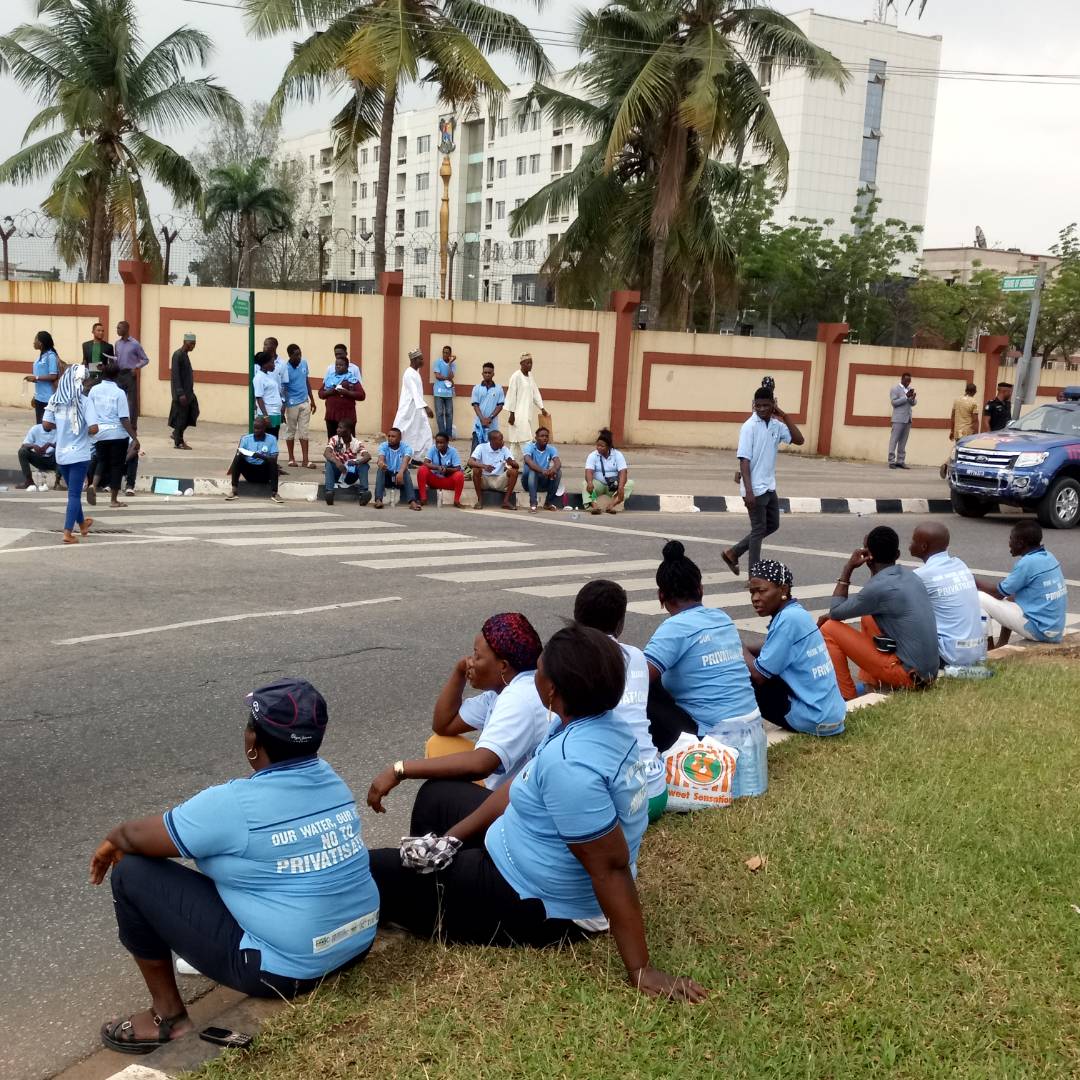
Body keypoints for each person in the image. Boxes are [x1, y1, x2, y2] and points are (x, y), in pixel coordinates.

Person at [366, 624, 707, 1004]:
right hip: (519, 845)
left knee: (374, 870)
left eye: (539, 670)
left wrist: (640, 968)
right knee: (438, 797)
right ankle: (433, 888)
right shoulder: (589, 722)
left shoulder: (572, 766)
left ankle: (428, 900)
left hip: (537, 902)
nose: (533, 676)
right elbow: (520, 786)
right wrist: (452, 839)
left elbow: (609, 867)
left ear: (552, 689)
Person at [90, 679, 379, 1055]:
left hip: (288, 971)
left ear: (251, 743)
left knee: (131, 871)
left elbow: (134, 837)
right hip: (356, 942)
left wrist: (111, 842)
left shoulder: (235, 804)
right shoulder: (330, 778)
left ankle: (168, 1018)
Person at [366, 613, 547, 820]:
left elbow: (480, 765)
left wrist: (399, 769)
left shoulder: (518, 697)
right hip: (508, 790)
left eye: (477, 656)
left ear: (503, 666)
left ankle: (441, 848)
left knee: (436, 792)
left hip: (519, 810)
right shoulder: (504, 688)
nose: (471, 661)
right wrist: (459, 671)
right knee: (440, 743)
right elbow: (444, 725)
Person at [643, 541, 767, 799]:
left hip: (711, 740)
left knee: (642, 689)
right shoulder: (722, 617)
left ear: (661, 597)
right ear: (700, 589)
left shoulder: (673, 629)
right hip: (752, 731)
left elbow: (637, 681)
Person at [574, 580, 668, 822]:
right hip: (656, 792)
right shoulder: (636, 655)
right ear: (620, 623)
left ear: (576, 617)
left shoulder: (574, 661)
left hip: (621, 801)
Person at [818, 526, 940, 700]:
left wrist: (848, 569)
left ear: (868, 557)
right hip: (928, 674)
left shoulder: (877, 588)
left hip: (909, 677)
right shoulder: (911, 576)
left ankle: (846, 698)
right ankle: (874, 684)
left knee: (829, 628)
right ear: (897, 555)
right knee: (868, 617)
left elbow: (836, 612)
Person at [741, 561, 846, 736]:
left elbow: (759, 675)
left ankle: (736, 735)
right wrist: (745, 650)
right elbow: (772, 647)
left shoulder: (787, 620)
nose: (755, 598)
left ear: (783, 589)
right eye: (752, 592)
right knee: (750, 662)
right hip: (832, 716)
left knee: (745, 674)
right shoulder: (796, 613)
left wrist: (734, 645)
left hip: (816, 720)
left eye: (762, 591)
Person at [721, 388, 804, 575]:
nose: (762, 409)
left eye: (766, 405)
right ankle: (754, 576)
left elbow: (799, 440)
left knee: (773, 524)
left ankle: (733, 553)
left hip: (769, 486)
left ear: (773, 404)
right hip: (754, 488)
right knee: (758, 530)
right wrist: (748, 491)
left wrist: (783, 415)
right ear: (753, 405)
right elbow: (744, 461)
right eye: (758, 405)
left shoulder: (776, 425)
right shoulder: (749, 427)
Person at [975, 520, 1067, 648]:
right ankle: (1002, 643)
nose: (1009, 543)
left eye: (1011, 539)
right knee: (1011, 596)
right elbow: (1008, 593)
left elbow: (997, 593)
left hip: (1040, 631)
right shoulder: (1049, 557)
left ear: (1020, 543)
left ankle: (990, 649)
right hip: (1054, 629)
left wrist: (973, 580)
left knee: (978, 598)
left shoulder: (1027, 563)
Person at [910, 523, 987, 668]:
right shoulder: (960, 564)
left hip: (950, 657)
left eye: (913, 541)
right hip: (975, 653)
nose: (910, 544)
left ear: (923, 547)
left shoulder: (922, 575)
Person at [41, 364, 97, 544]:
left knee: (73, 493)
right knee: (74, 495)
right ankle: (67, 532)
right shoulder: (85, 401)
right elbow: (94, 428)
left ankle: (82, 525)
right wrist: (82, 429)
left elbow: (46, 425)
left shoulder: (55, 400)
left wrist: (63, 425)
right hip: (79, 456)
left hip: (61, 455)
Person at [87, 360, 141, 508]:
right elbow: (124, 418)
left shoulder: (94, 390)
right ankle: (113, 500)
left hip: (100, 432)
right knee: (116, 465)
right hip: (117, 434)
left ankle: (93, 485)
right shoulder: (119, 393)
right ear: (117, 375)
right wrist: (134, 437)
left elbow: (89, 412)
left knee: (101, 461)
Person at [225, 415, 284, 504]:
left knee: (272, 462)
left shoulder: (271, 439)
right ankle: (234, 490)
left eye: (259, 428)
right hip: (250, 472)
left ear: (264, 428)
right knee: (238, 457)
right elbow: (240, 452)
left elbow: (274, 458)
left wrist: (259, 456)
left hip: (264, 472)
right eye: (255, 428)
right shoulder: (246, 439)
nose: (256, 431)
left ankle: (274, 493)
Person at [393, 347, 434, 462]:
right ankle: (404, 458)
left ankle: (415, 457)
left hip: (416, 408)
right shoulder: (409, 374)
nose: (423, 361)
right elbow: (415, 392)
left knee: (421, 432)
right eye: (421, 359)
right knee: (405, 433)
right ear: (414, 360)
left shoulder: (415, 372)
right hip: (409, 409)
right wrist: (426, 408)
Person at [504, 352, 546, 463]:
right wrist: (511, 414)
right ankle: (531, 463)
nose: (530, 365)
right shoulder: (516, 377)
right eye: (528, 363)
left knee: (515, 444)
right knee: (526, 440)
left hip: (527, 414)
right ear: (521, 364)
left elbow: (535, 392)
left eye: (531, 363)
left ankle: (509, 465)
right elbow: (511, 395)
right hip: (517, 415)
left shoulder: (530, 376)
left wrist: (542, 407)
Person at [283, 343, 317, 469]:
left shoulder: (304, 363)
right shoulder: (285, 368)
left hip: (304, 402)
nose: (299, 357)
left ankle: (305, 460)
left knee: (304, 431)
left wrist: (312, 400)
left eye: (300, 354)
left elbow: (306, 381)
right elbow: (284, 388)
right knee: (291, 430)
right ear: (290, 355)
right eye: (296, 355)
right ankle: (291, 458)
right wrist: (284, 405)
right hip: (292, 404)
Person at [318, 348, 366, 439]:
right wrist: (329, 392)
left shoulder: (352, 380)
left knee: (348, 441)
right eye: (337, 365)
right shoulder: (330, 378)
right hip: (331, 415)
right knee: (333, 441)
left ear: (347, 367)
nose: (338, 367)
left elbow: (362, 395)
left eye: (341, 365)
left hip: (347, 417)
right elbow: (321, 394)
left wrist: (347, 392)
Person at [583, 428, 634, 514]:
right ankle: (594, 506)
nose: (599, 448)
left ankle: (611, 506)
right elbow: (589, 471)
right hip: (598, 484)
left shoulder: (617, 455)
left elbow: (623, 472)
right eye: (597, 445)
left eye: (602, 446)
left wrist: (621, 487)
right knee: (585, 484)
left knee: (629, 483)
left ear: (609, 447)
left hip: (613, 486)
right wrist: (590, 482)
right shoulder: (593, 455)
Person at [323, 420, 371, 506]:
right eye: (338, 427)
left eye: (341, 428)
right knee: (329, 463)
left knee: (364, 465)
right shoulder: (334, 439)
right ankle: (329, 492)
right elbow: (326, 453)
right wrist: (337, 462)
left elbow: (367, 456)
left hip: (350, 475)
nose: (337, 429)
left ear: (349, 430)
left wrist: (357, 462)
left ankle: (363, 493)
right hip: (337, 473)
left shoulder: (356, 443)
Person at [468, 429, 519, 510]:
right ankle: (480, 500)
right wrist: (483, 466)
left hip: (498, 480)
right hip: (484, 480)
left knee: (514, 472)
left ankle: (505, 501)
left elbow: (517, 466)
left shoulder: (504, 449)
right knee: (476, 470)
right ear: (492, 441)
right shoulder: (481, 447)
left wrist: (511, 462)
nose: (503, 441)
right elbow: (470, 462)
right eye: (500, 439)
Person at [374, 426, 420, 510]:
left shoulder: (406, 448)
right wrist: (381, 463)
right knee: (380, 470)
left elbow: (405, 461)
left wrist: (401, 472)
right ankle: (378, 499)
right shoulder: (383, 446)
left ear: (400, 438)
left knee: (405, 471)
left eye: (393, 436)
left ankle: (412, 501)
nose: (390, 438)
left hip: (400, 479)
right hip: (387, 477)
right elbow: (381, 458)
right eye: (389, 436)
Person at [417, 431, 465, 507]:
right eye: (437, 442)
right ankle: (423, 498)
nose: (439, 445)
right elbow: (425, 463)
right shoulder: (433, 449)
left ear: (447, 442)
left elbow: (457, 468)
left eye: (441, 443)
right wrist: (437, 467)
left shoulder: (453, 451)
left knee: (459, 475)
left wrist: (446, 470)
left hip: (448, 481)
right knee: (422, 469)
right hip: (435, 480)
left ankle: (456, 501)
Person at [114, 320, 150, 422]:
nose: (117, 330)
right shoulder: (117, 343)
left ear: (126, 329)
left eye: (119, 328)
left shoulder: (135, 344)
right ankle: (119, 423)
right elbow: (117, 357)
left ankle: (133, 425)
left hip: (130, 374)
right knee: (118, 399)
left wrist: (136, 367)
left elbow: (145, 359)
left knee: (132, 402)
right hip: (119, 374)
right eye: (117, 328)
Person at [169, 333, 199, 450]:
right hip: (181, 393)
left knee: (194, 411)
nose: (193, 346)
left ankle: (176, 432)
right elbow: (176, 375)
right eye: (191, 343)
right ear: (185, 342)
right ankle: (179, 442)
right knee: (181, 417)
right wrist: (180, 393)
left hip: (188, 392)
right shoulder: (178, 355)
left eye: (194, 344)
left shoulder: (185, 355)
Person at [942, 382, 979, 477]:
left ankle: (948, 466)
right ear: (974, 392)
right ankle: (949, 465)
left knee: (958, 450)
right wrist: (976, 433)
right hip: (968, 432)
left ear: (966, 390)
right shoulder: (974, 403)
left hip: (957, 431)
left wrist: (951, 430)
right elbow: (975, 420)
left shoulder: (957, 400)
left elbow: (953, 416)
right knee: (964, 453)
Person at [522, 425, 562, 513]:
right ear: (536, 438)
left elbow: (558, 462)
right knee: (533, 471)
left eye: (546, 436)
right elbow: (528, 461)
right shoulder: (529, 447)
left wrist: (553, 470)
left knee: (558, 472)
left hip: (543, 481)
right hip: (528, 483)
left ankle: (548, 503)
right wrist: (542, 470)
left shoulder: (551, 449)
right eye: (542, 436)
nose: (544, 438)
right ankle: (533, 504)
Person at [24, 330, 61, 424]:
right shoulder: (41, 356)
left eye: (35, 339)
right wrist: (35, 395)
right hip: (39, 398)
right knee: (40, 426)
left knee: (47, 427)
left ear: (40, 343)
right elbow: (41, 377)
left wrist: (36, 378)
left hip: (48, 398)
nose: (33, 342)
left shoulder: (51, 356)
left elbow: (53, 376)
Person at [470, 361, 505, 450]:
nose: (487, 374)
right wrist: (482, 419)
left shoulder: (499, 388)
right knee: (475, 451)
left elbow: (500, 406)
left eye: (489, 373)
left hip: (493, 426)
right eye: (485, 373)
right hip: (478, 426)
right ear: (482, 374)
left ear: (493, 374)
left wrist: (490, 418)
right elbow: (475, 405)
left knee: (493, 451)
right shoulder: (476, 388)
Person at [15, 420, 57, 490]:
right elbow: (24, 445)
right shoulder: (35, 429)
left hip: (54, 460)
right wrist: (34, 446)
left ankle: (58, 482)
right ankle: (29, 481)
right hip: (40, 458)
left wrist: (50, 444)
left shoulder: (58, 430)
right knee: (22, 452)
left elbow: (64, 445)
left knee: (62, 453)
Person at [888, 372, 916, 469]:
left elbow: (913, 403)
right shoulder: (895, 389)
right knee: (894, 440)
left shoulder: (909, 389)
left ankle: (900, 461)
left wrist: (912, 398)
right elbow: (894, 403)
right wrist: (906, 397)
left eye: (909, 380)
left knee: (903, 441)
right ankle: (891, 461)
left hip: (908, 419)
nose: (908, 382)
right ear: (902, 379)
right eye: (906, 380)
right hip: (898, 419)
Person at [253, 351, 283, 436]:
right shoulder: (259, 378)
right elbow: (259, 398)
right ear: (265, 364)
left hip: (275, 412)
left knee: (274, 439)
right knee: (267, 439)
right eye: (272, 363)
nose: (274, 365)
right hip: (268, 414)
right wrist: (266, 416)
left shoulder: (268, 376)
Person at [432, 344, 456, 438]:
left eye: (447, 353)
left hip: (448, 393)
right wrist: (446, 378)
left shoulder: (453, 365)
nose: (445, 354)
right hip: (438, 392)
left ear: (450, 354)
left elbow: (451, 376)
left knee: (449, 413)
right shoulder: (437, 362)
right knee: (439, 413)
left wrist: (450, 364)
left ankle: (449, 435)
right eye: (444, 352)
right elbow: (437, 376)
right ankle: (442, 435)